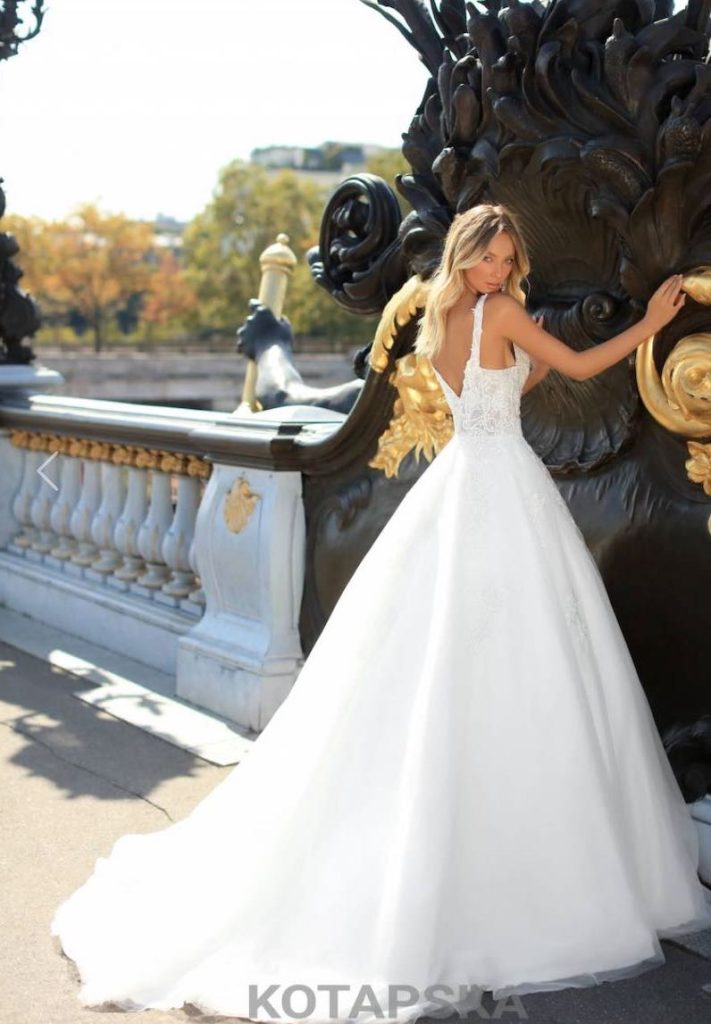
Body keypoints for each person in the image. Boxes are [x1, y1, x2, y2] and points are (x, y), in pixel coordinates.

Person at [50, 203, 711, 1024]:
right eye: (490, 257)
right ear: (470, 256)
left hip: (458, 485)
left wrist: (519, 369)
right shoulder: (502, 313)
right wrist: (647, 322)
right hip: (501, 487)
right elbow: (574, 371)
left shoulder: (444, 321)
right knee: (517, 652)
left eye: (508, 257)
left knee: (437, 655)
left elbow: (501, 383)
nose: (500, 270)